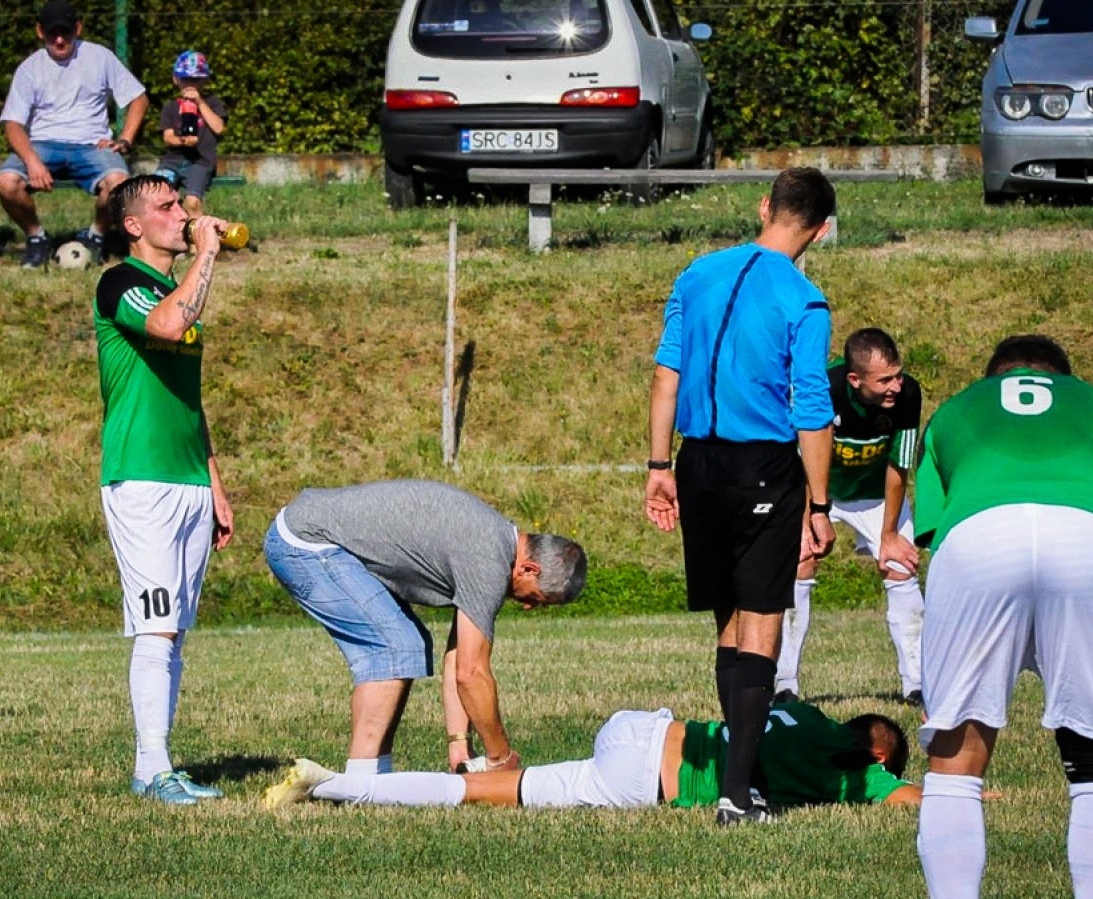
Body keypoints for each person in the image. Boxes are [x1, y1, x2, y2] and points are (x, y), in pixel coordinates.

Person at [912, 335, 1093, 899]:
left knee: (955, 758)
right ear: (1064, 382)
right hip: (1091, 536)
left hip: (981, 536)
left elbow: (933, 524)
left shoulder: (956, 409)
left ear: (993, 381)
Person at [644, 166, 838, 826]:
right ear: (822, 229)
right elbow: (811, 407)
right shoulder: (805, 300)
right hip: (764, 467)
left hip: (696, 463)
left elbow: (667, 375)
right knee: (761, 625)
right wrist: (818, 505)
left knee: (728, 624)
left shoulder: (696, 273)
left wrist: (656, 464)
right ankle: (736, 793)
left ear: (765, 206)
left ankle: (743, 779)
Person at [263, 480, 588, 777]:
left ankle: (376, 778)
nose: (530, 607)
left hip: (308, 528)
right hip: (304, 542)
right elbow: (471, 674)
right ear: (529, 568)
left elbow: (460, 657)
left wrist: (458, 745)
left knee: (409, 643)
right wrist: (500, 756)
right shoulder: (488, 562)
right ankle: (360, 786)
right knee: (394, 647)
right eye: (538, 599)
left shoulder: (495, 544)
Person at [95, 174, 235, 804]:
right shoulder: (120, 281)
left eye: (182, 203)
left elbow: (189, 400)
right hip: (142, 477)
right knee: (154, 626)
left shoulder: (171, 285)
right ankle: (152, 770)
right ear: (133, 225)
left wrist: (215, 483)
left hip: (186, 481)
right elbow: (169, 327)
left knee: (173, 629)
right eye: (167, 206)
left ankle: (158, 764)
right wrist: (206, 252)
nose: (182, 213)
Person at [264, 699, 920, 811]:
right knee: (479, 796)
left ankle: (327, 785)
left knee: (478, 788)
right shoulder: (856, 773)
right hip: (643, 779)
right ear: (880, 755)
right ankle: (331, 786)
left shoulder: (800, 711)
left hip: (644, 726)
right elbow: (916, 795)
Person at [775, 328, 925, 706]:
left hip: (875, 494)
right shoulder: (824, 389)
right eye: (884, 379)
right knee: (800, 563)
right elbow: (803, 455)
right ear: (855, 380)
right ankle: (784, 684)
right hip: (818, 489)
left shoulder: (907, 395)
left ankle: (918, 685)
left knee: (902, 566)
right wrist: (811, 514)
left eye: (898, 375)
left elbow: (898, 465)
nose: (896, 385)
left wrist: (890, 533)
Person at [0, 0, 147, 268]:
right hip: (42, 143)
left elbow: (138, 98)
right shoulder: (29, 68)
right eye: (52, 32)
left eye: (66, 32)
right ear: (39, 31)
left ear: (78, 28)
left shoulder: (100, 57)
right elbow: (12, 123)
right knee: (7, 182)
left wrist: (125, 140)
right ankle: (36, 237)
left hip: (92, 144)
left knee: (120, 185)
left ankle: (96, 236)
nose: (59, 39)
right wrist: (32, 160)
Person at [154, 51, 226, 218]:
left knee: (192, 202)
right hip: (172, 162)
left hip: (200, 162)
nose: (191, 84)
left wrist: (199, 102)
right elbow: (168, 137)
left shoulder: (212, 103)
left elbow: (219, 128)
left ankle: (199, 240)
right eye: (186, 79)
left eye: (196, 80)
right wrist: (183, 141)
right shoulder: (171, 107)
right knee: (155, 196)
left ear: (204, 80)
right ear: (176, 79)